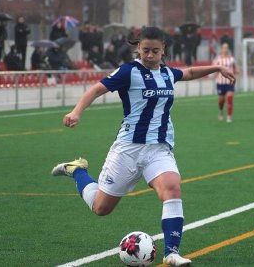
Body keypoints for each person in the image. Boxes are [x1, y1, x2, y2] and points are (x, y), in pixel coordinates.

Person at [50, 26, 235, 266]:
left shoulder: (168, 73)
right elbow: (96, 89)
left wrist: (217, 67)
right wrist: (76, 112)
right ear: (138, 48)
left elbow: (188, 72)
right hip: (127, 148)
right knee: (100, 208)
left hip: (158, 148)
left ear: (163, 50)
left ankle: (172, 253)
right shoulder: (129, 71)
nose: (149, 55)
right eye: (145, 50)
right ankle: (77, 171)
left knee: (172, 189)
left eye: (155, 51)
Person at [212, 42, 237, 123]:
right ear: (222, 49)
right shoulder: (218, 59)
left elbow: (234, 67)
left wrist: (237, 72)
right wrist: (212, 74)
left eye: (227, 48)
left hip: (230, 82)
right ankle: (221, 110)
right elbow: (213, 68)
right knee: (221, 100)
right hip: (220, 82)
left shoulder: (231, 59)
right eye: (224, 48)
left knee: (229, 98)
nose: (225, 49)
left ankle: (229, 117)